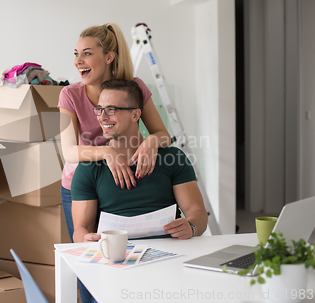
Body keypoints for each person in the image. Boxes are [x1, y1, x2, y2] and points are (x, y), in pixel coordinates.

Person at [57, 23, 172, 303]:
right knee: (91, 262)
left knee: (130, 261)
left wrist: (150, 142)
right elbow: (68, 151)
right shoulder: (69, 95)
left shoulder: (134, 88)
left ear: (109, 57)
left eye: (86, 53)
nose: (78, 61)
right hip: (81, 187)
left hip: (123, 183)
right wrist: (107, 152)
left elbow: (163, 134)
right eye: (76, 54)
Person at [71, 79, 208, 244]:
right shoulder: (89, 168)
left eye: (111, 109)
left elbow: (198, 214)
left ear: (135, 115)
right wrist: (85, 240)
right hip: (117, 257)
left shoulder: (172, 158)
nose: (102, 117)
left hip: (171, 254)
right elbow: (80, 229)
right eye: (99, 109)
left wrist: (191, 227)